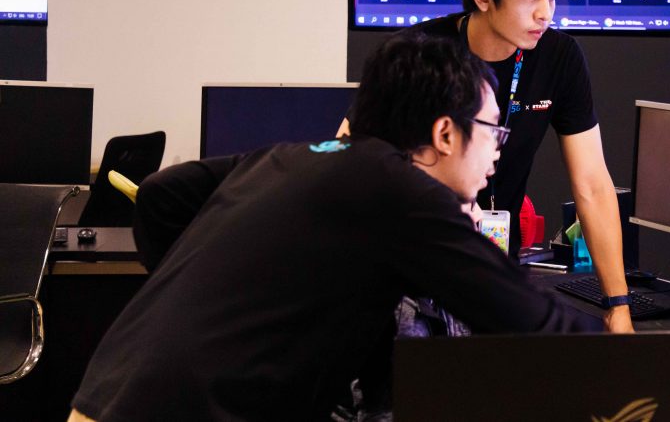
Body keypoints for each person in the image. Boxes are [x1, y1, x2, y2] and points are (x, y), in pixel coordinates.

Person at [68, 33, 596, 422]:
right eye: (492, 131)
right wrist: (629, 360)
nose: (498, 151)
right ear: (444, 133)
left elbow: (161, 195)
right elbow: (524, 316)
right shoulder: (401, 190)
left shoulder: (294, 157)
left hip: (108, 395)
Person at [342, 0, 633, 333]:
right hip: (412, 269)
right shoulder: (419, 55)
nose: (546, 13)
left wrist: (618, 305)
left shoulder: (559, 57)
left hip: (491, 265)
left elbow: (592, 184)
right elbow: (347, 156)